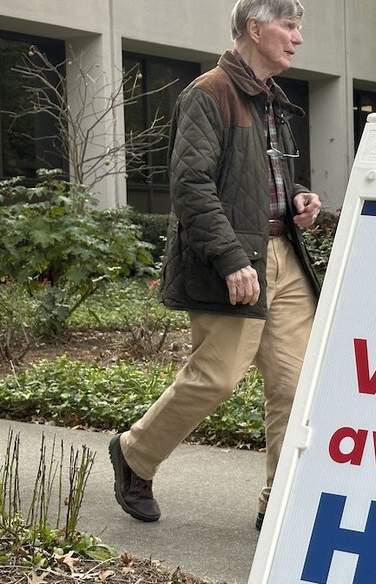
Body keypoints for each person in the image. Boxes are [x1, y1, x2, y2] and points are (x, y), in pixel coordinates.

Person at [109, 0, 321, 530]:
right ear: (255, 28)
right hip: (233, 258)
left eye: (300, 28)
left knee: (295, 385)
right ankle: (135, 454)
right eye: (289, 26)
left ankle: (280, 499)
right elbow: (191, 186)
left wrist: (296, 198)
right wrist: (230, 258)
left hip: (283, 255)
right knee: (217, 377)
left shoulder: (272, 100)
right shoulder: (208, 93)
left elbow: (254, 181)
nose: (298, 39)